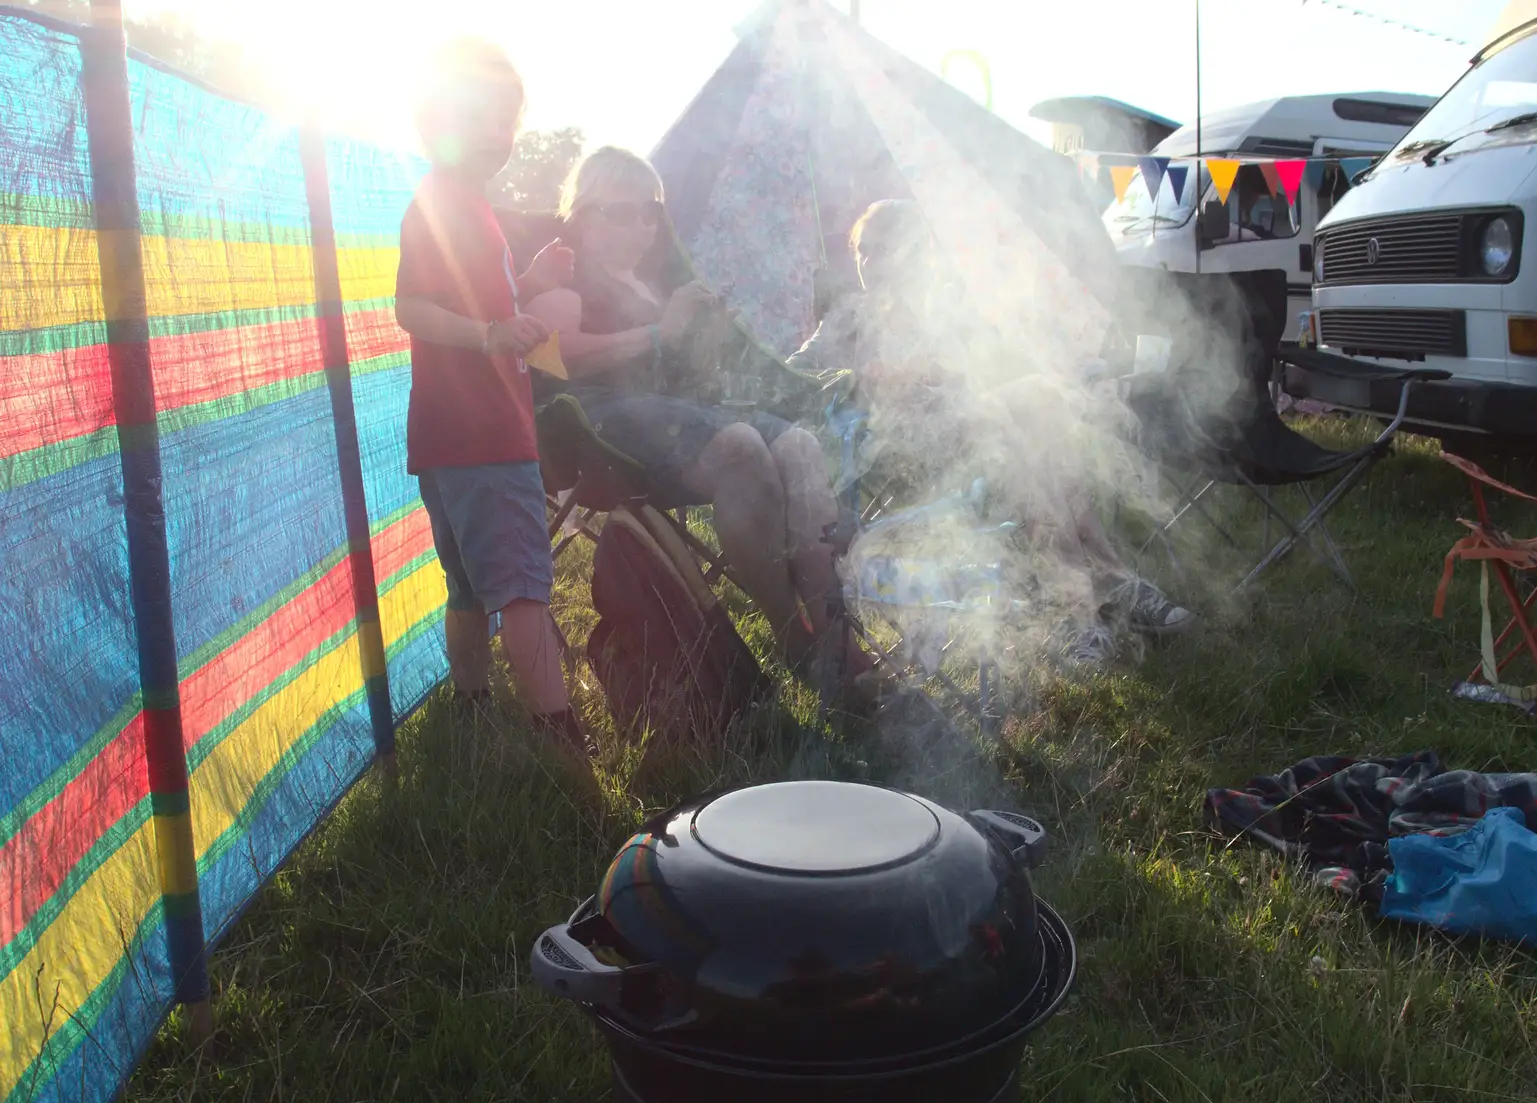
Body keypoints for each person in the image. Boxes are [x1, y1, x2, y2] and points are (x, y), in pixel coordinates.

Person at [789, 198, 1196, 668]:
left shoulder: (935, 314)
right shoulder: (847, 319)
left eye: (888, 250)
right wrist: (858, 377)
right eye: (865, 252)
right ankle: (1107, 587)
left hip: (964, 433)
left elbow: (969, 378)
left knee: (1031, 418)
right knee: (1019, 421)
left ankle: (1091, 599)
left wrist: (943, 372)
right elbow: (793, 374)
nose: (874, 263)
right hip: (897, 453)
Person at [526, 146, 867, 683]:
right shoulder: (567, 273)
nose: (643, 225)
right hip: (600, 426)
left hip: (675, 416)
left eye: (651, 211)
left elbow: (680, 367)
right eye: (624, 211)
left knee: (799, 446)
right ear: (586, 214)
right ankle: (792, 636)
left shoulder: (654, 281)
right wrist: (661, 331)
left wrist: (701, 333)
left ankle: (836, 634)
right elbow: (555, 353)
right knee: (740, 446)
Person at [393, 39, 596, 788]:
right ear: (433, 122)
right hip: (484, 439)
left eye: (505, 118)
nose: (494, 133)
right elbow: (409, 305)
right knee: (523, 590)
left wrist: (524, 288)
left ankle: (472, 706)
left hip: (451, 440)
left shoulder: (468, 208)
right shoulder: (441, 202)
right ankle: (565, 742)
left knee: (471, 589)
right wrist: (488, 333)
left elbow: (481, 304)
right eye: (475, 115)